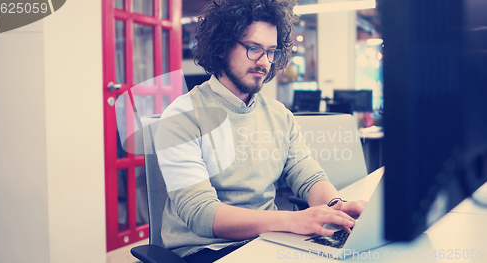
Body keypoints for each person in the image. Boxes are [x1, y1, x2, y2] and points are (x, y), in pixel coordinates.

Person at [154, 0, 366, 262]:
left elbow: (308, 175)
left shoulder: (279, 116)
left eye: (271, 51)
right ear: (221, 46)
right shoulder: (182, 116)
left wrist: (337, 206)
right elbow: (202, 214)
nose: (264, 62)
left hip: (268, 241)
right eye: (253, 48)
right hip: (207, 250)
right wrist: (292, 220)